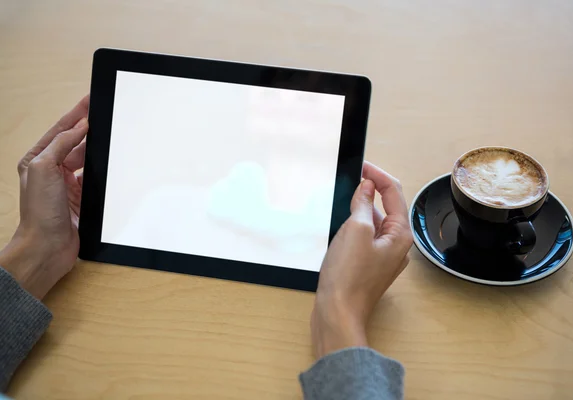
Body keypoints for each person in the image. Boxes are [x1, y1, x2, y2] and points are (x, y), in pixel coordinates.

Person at [0, 96, 413, 399]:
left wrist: (36, 250)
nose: (297, 101)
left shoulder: (341, 237)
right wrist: (341, 312)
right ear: (255, 112)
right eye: (282, 91)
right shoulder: (167, 206)